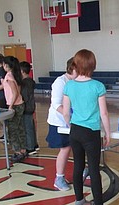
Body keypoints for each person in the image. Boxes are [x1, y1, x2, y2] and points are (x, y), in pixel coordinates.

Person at [62, 49, 114, 205]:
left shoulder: (69, 85)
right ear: (93, 65)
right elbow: (104, 113)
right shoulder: (97, 86)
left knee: (78, 166)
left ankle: (79, 203)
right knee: (93, 169)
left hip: (75, 131)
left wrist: (71, 126)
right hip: (90, 133)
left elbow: (66, 112)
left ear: (76, 65)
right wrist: (107, 132)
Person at [46, 57, 77, 191]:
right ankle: (59, 178)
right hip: (59, 122)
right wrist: (68, 114)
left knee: (76, 146)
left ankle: (82, 170)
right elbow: (56, 104)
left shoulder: (75, 82)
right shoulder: (60, 82)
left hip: (72, 120)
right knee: (65, 148)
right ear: (73, 69)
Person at [0, 56, 27, 162]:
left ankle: (17, 152)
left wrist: (10, 106)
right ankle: (23, 149)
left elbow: (15, 92)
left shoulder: (9, 76)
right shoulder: (16, 74)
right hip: (20, 104)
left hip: (14, 105)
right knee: (19, 128)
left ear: (7, 65)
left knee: (12, 130)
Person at [20, 61, 38, 155]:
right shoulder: (30, 81)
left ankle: (30, 147)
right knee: (30, 127)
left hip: (27, 107)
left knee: (28, 128)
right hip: (31, 106)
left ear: (22, 71)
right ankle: (34, 144)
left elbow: (25, 96)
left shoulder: (25, 83)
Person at [0, 54, 7, 141]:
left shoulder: (1, 71)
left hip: (3, 96)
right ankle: (5, 134)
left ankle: (7, 135)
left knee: (5, 116)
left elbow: (4, 84)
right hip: (0, 96)